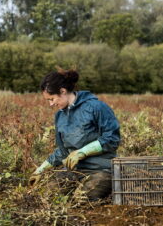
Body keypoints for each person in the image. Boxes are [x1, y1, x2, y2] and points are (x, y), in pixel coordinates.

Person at [29, 69, 120, 200]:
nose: (51, 104)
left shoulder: (97, 107)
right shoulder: (60, 116)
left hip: (101, 170)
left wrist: (82, 152)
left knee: (82, 199)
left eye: (52, 99)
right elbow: (63, 151)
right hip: (75, 171)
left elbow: (112, 139)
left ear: (63, 91)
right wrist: (39, 170)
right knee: (48, 195)